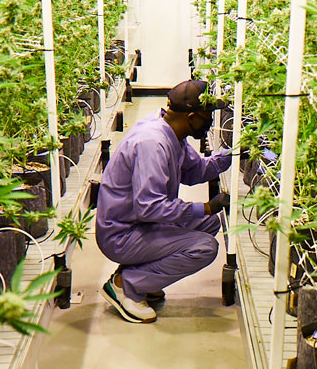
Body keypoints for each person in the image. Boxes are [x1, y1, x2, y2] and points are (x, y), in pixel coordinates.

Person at [96, 79, 233, 323]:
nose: (210, 122)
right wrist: (207, 206)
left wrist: (231, 156)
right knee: (203, 248)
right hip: (122, 234)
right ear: (191, 116)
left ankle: (142, 274)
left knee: (209, 224)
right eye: (207, 115)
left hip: (141, 224)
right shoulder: (153, 143)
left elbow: (193, 171)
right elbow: (151, 207)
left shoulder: (172, 132)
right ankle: (126, 285)